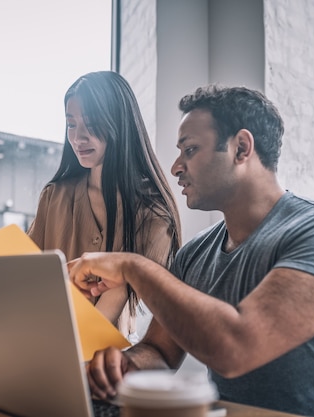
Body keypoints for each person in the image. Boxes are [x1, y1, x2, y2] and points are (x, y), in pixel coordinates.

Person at [68, 85, 314, 417]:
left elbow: (237, 347)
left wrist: (132, 266)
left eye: (190, 150)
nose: (176, 167)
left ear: (241, 148)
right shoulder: (195, 255)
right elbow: (159, 351)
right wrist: (124, 366)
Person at [26, 71, 181, 341]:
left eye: (92, 123)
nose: (79, 137)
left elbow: (124, 299)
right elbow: (25, 274)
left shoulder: (152, 212)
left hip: (109, 358)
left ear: (120, 124)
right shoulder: (54, 197)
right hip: (44, 343)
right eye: (71, 124)